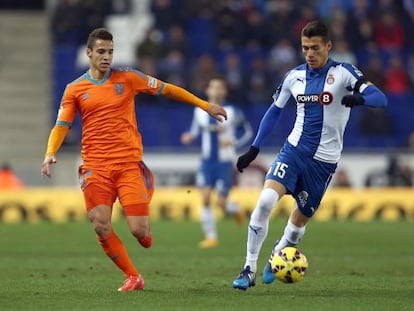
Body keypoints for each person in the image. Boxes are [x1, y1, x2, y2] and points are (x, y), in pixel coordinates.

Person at [40, 28, 227, 292]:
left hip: (128, 164)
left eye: (110, 52)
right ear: (89, 53)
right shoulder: (74, 89)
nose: (107, 57)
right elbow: (62, 125)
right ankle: (133, 276)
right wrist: (50, 153)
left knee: (140, 232)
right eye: (101, 52)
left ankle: (145, 185)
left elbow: (168, 90)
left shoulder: (128, 77)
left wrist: (204, 105)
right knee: (100, 223)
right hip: (96, 166)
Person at [232, 20, 387, 290]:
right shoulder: (294, 76)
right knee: (266, 200)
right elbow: (275, 111)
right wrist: (255, 147)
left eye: (315, 48)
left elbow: (380, 98)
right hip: (294, 151)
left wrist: (361, 99)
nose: (310, 54)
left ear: (328, 46)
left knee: (298, 222)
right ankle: (248, 268)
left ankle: (277, 255)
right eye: (305, 48)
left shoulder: (344, 73)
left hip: (324, 163)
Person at [181, 76, 252, 248]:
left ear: (224, 91)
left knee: (220, 203)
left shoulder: (233, 111)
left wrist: (232, 140)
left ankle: (235, 209)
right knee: (205, 198)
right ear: (208, 91)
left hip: (224, 162)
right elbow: (194, 130)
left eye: (220, 88)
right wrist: (189, 136)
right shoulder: (199, 110)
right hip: (207, 161)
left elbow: (247, 132)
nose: (217, 91)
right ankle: (211, 237)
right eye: (213, 87)